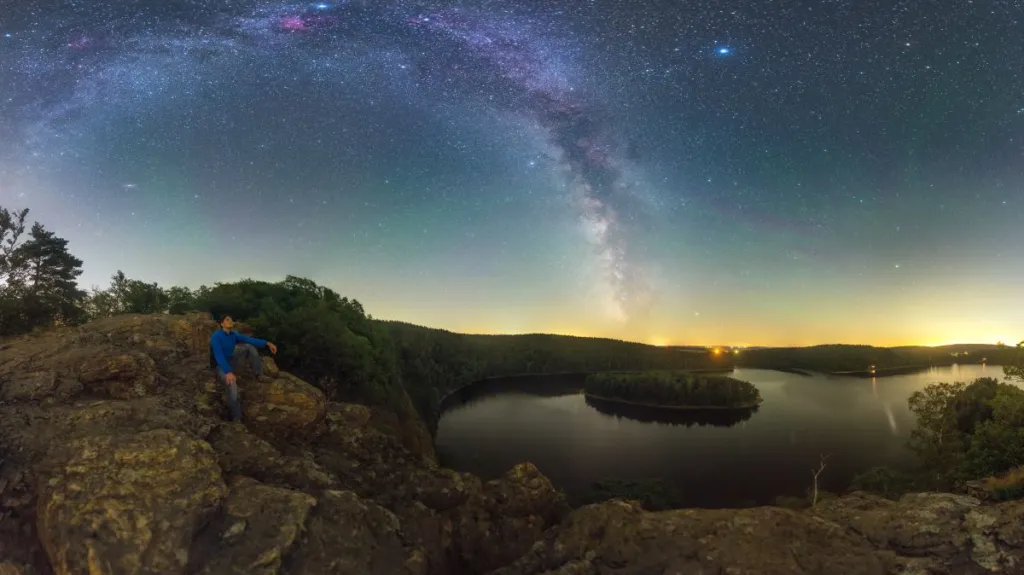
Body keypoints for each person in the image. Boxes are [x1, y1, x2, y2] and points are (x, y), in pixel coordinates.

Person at [210, 314, 278, 422]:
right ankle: (236, 417)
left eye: (231, 319)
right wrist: (228, 372)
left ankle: (259, 374)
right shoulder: (216, 336)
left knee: (248, 346)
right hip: (221, 366)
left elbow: (249, 339)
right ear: (222, 324)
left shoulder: (233, 334)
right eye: (227, 320)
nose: (230, 321)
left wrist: (267, 343)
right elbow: (218, 355)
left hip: (232, 361)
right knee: (232, 386)